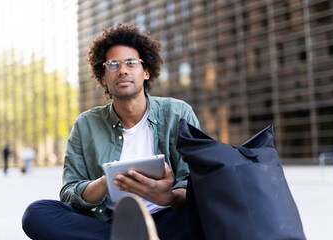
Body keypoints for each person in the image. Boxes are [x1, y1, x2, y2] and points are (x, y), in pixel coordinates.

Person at [22, 23, 200, 240]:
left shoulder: (178, 112)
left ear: (146, 71)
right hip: (108, 222)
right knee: (36, 213)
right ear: (103, 76)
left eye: (131, 63)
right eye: (113, 64)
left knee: (206, 208)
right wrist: (106, 181)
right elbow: (69, 193)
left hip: (167, 218)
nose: (123, 70)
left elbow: (195, 183)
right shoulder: (85, 124)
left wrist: (168, 197)